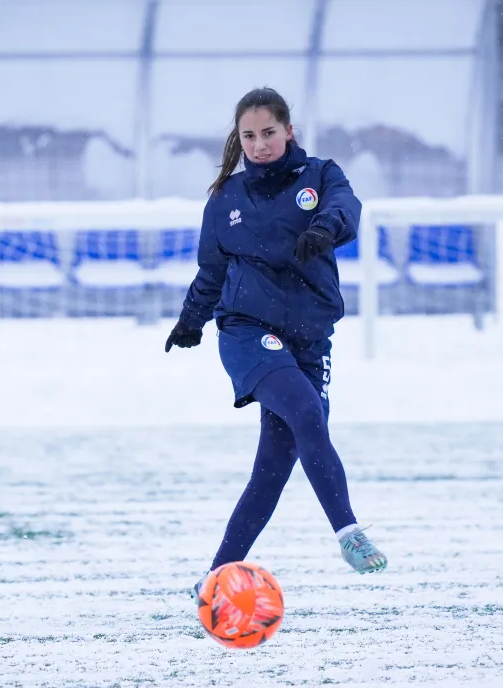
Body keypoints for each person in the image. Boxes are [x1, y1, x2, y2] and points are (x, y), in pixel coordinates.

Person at [163, 87, 387, 595]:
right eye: (249, 136)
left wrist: (324, 229)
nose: (259, 144)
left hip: (309, 338)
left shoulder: (321, 176)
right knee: (306, 412)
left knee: (273, 468)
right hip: (247, 330)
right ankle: (349, 533)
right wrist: (191, 320)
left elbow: (346, 207)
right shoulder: (226, 198)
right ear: (238, 140)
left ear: (288, 130)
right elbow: (212, 271)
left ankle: (212, 580)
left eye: (268, 133)